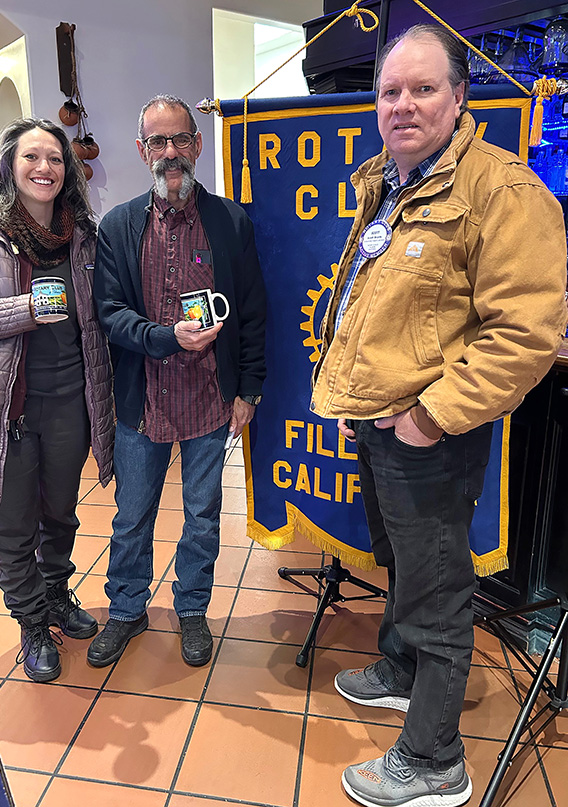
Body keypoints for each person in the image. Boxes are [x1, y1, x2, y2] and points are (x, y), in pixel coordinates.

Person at [310, 24, 568, 807]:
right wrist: (362, 397)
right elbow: (377, 301)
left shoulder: (503, 190)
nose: (403, 104)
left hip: (429, 434)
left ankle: (434, 761)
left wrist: (429, 417)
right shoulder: (390, 181)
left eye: (423, 89)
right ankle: (401, 669)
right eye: (390, 91)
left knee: (439, 586)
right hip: (379, 421)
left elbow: (525, 335)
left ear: (459, 97)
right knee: (403, 564)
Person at [0, 118, 115, 683]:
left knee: (60, 514)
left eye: (55, 158)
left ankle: (56, 594)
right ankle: (32, 621)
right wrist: (24, 310)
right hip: (4, 409)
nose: (44, 168)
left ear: (68, 170)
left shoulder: (83, 235)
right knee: (12, 525)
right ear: (10, 165)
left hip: (70, 404)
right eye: (32, 156)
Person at [89, 95, 266, 669]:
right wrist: (167, 337)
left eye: (181, 140)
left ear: (198, 145)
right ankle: (126, 610)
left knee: (203, 517)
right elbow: (109, 314)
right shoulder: (118, 226)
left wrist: (249, 390)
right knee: (132, 516)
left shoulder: (230, 222)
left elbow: (253, 312)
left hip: (210, 401)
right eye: (158, 142)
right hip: (142, 403)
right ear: (143, 150)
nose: (171, 152)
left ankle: (192, 609)